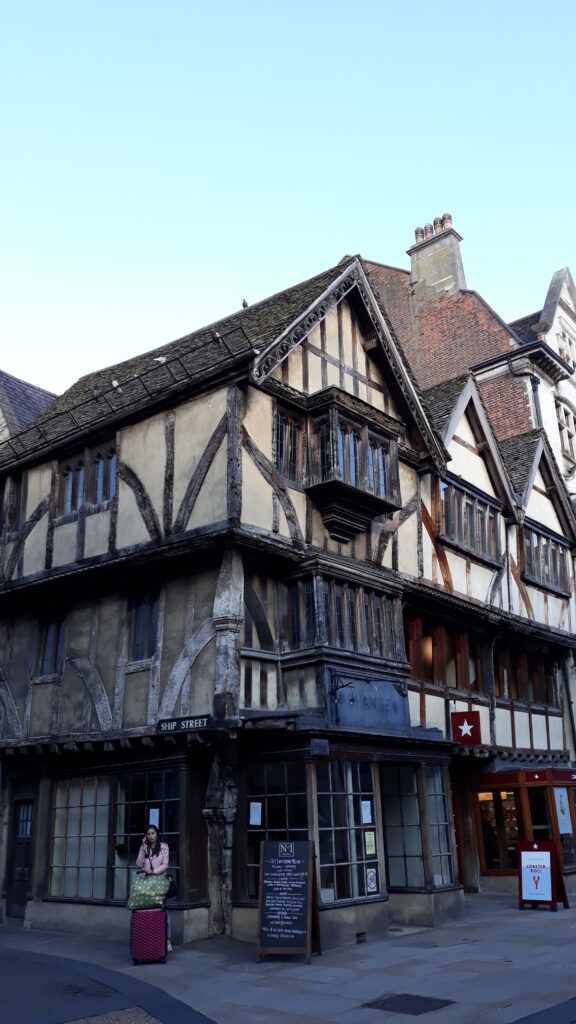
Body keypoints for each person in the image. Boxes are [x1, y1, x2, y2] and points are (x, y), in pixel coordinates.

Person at [136, 825, 173, 951]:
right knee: (146, 909)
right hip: (145, 883)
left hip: (159, 882)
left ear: (157, 834)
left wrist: (153, 871)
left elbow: (165, 865)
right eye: (148, 834)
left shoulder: (164, 847)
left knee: (162, 909)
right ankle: (149, 938)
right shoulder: (144, 847)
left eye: (153, 833)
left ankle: (167, 939)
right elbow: (139, 864)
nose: (150, 836)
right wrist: (143, 848)